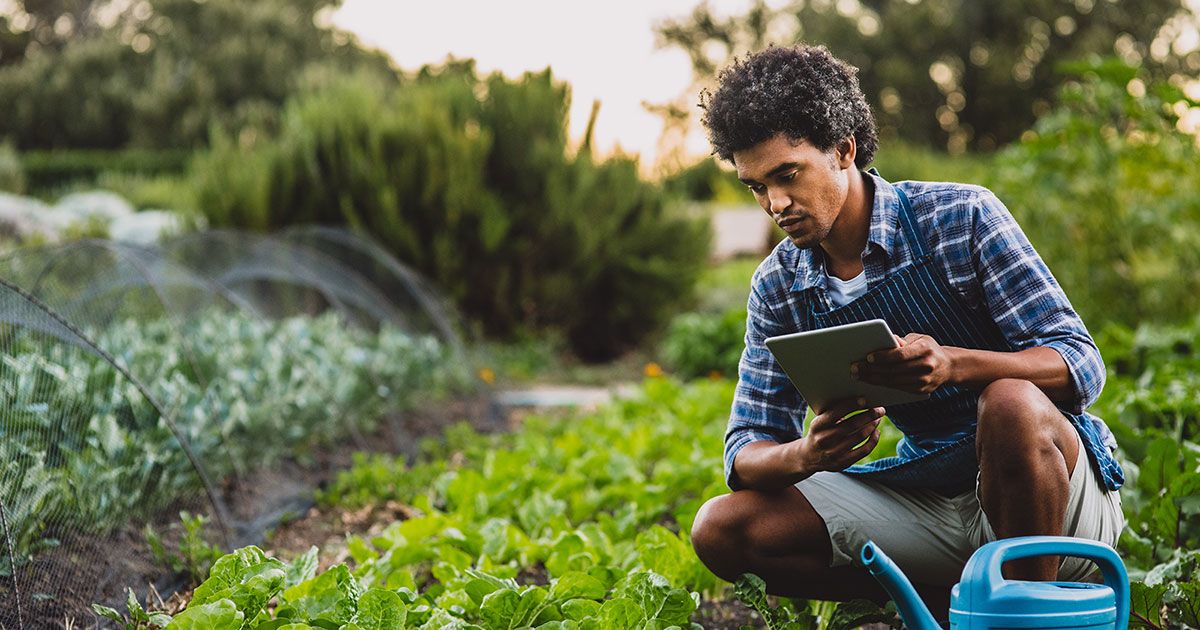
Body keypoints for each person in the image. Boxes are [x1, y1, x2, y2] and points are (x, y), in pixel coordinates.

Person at [687, 44, 1125, 617]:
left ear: (843, 150)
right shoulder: (779, 285)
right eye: (756, 186)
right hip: (932, 502)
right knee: (721, 527)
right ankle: (945, 605)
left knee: (1011, 403)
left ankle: (1019, 613)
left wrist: (956, 364)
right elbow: (746, 449)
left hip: (1057, 501)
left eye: (787, 175)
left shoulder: (961, 217)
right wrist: (808, 452)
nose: (775, 202)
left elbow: (1081, 364)